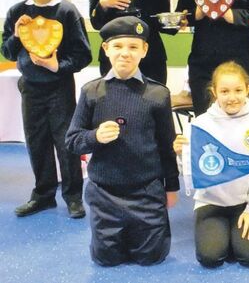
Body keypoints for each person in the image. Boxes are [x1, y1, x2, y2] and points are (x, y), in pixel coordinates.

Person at [65, 17, 179, 266]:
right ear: (106, 49)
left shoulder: (158, 94)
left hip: (146, 192)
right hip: (105, 192)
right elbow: (72, 141)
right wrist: (94, 136)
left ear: (144, 50)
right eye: (117, 46)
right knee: (106, 260)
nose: (125, 53)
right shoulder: (91, 92)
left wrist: (171, 187)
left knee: (152, 258)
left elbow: (166, 146)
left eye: (133, 46)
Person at [1, 0, 91, 218]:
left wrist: (57, 66)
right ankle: (43, 194)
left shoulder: (67, 11)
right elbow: (7, 51)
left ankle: (73, 196)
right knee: (36, 141)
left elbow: (83, 54)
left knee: (66, 142)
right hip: (30, 87)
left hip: (59, 87)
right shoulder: (17, 11)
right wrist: (17, 35)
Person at [173, 61, 249, 268]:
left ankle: (237, 232)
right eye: (225, 91)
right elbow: (191, 172)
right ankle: (220, 233)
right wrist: (180, 154)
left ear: (248, 88)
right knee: (211, 257)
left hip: (246, 202)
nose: (232, 97)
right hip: (211, 203)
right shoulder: (201, 124)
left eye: (238, 90)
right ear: (215, 92)